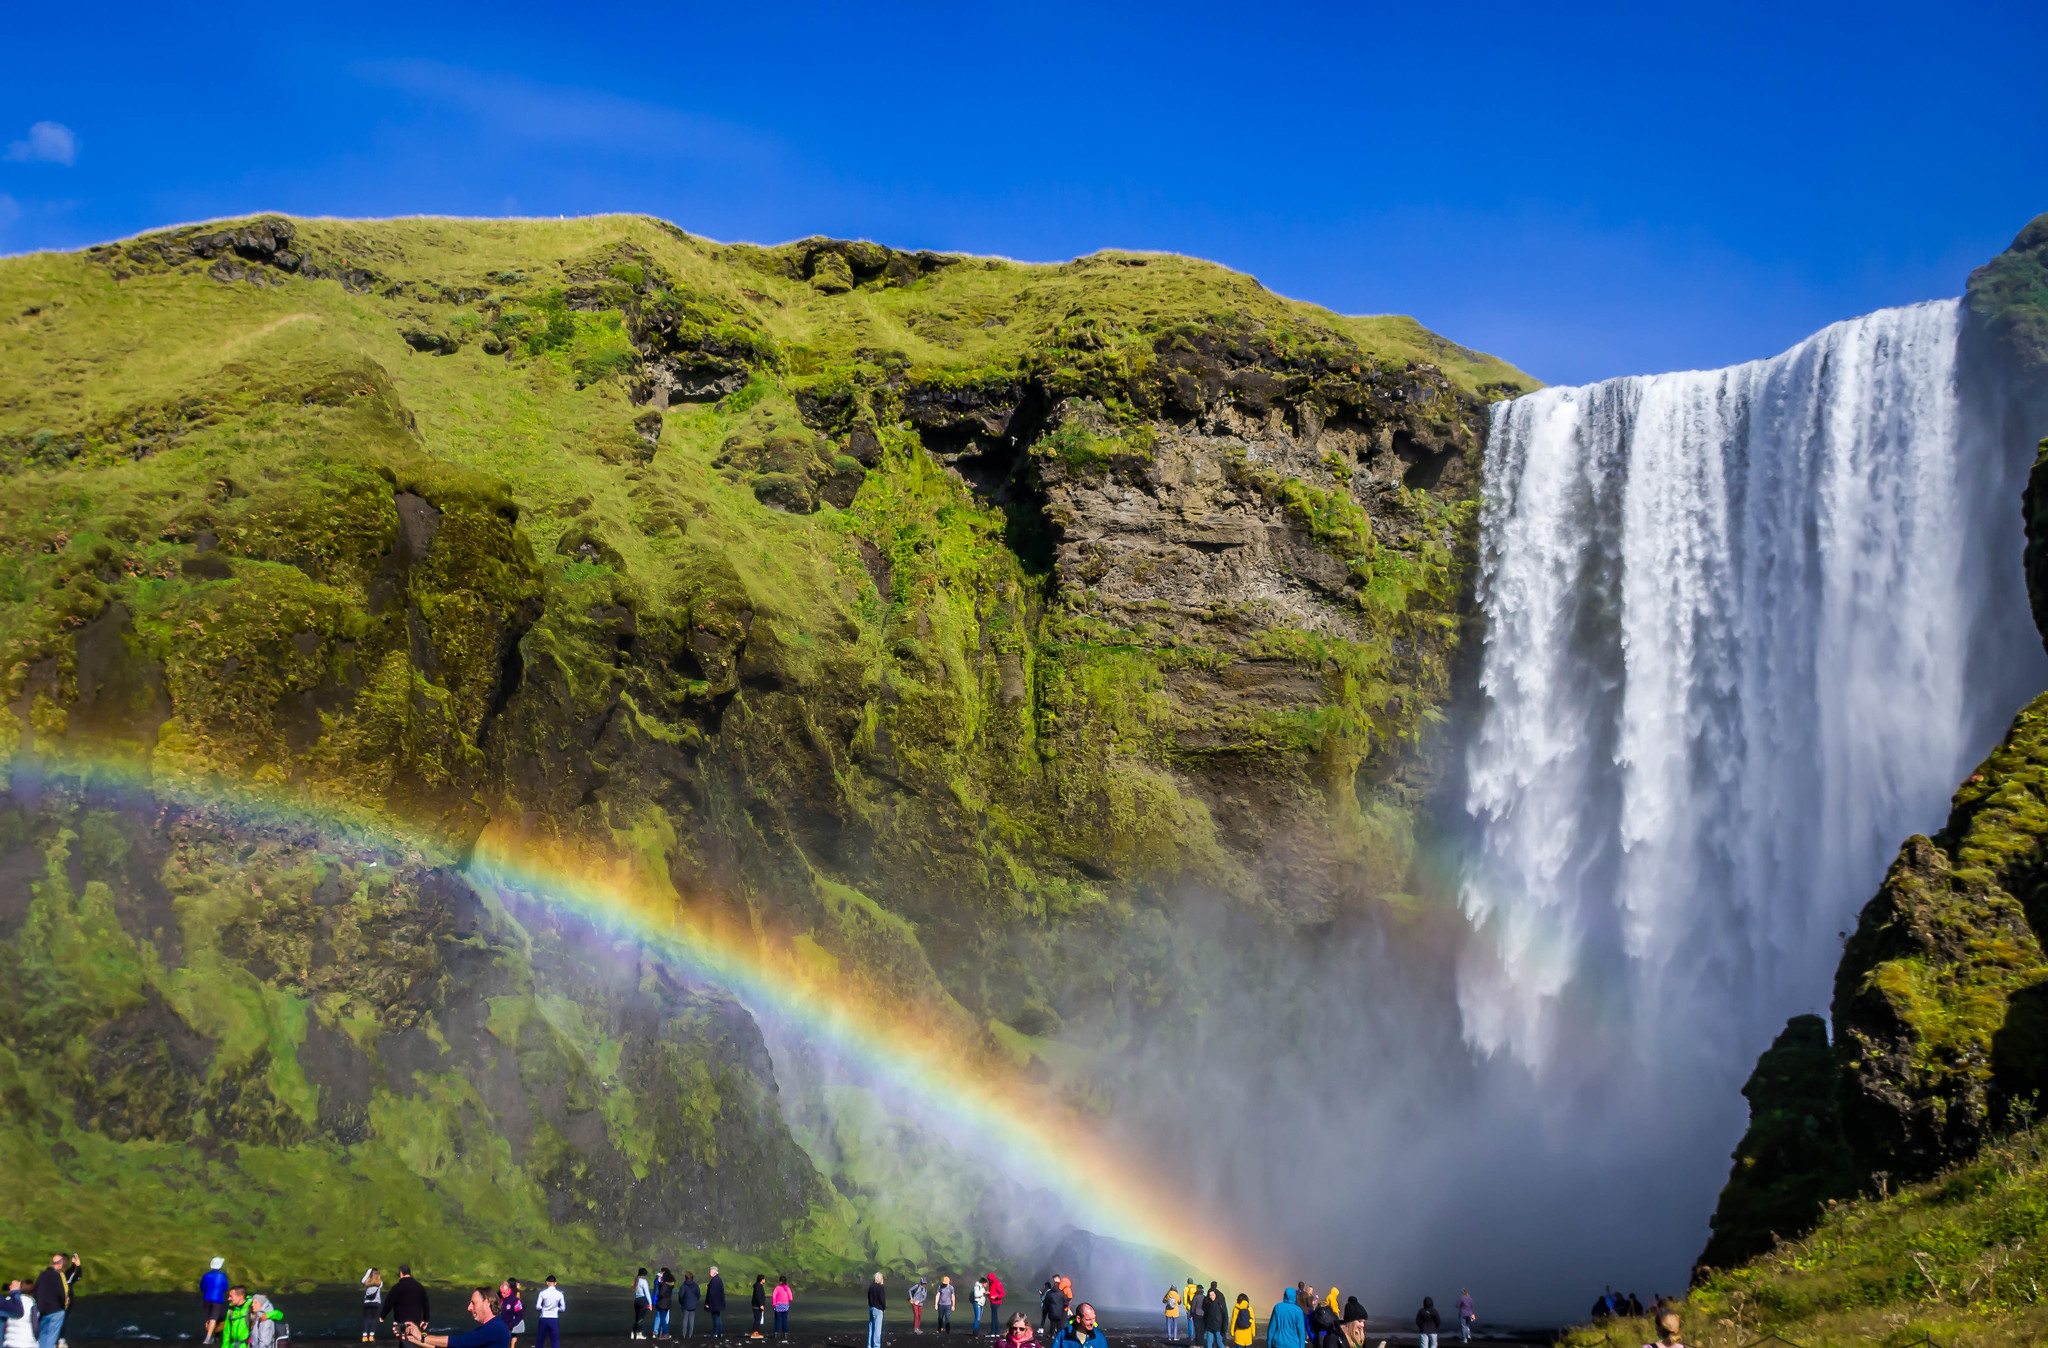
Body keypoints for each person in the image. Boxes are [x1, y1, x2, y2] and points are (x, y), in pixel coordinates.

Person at [401, 1288, 512, 1348]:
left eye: (473, 1303)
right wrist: (412, 1338)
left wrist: (422, 1336)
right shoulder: (489, 1329)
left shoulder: (496, 1328)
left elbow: (458, 1342)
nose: (469, 1308)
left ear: (487, 1303)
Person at [31, 1255, 70, 1348]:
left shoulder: (42, 1275)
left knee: (42, 1337)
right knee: (51, 1338)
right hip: (56, 1310)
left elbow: (35, 1292)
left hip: (42, 1311)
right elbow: (63, 1293)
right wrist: (64, 1306)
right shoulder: (59, 1275)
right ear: (60, 1264)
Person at [384, 1267, 430, 1340]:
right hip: (416, 1318)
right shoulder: (419, 1286)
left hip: (401, 1318)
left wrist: (383, 1315)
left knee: (404, 1339)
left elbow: (389, 1302)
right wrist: (425, 1319)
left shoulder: (397, 1287)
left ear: (401, 1273)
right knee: (413, 1339)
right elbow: (425, 1303)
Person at [204, 1259, 231, 1345]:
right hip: (218, 1299)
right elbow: (226, 1287)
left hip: (207, 1299)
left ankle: (212, 1335)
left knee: (209, 1318)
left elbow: (202, 1286)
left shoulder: (206, 1275)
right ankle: (208, 1338)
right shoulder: (222, 1276)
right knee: (214, 1318)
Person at [536, 1277, 566, 1348]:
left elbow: (538, 1306)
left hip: (544, 1317)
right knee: (555, 1340)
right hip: (554, 1318)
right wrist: (557, 1309)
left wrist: (543, 1308)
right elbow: (563, 1308)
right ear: (555, 1283)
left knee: (540, 1339)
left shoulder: (542, 1293)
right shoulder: (559, 1294)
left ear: (547, 1282)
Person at [361, 1270, 383, 1344]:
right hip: (376, 1303)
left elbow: (362, 1280)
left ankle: (364, 1336)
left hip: (367, 1303)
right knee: (374, 1319)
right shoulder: (380, 1283)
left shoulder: (367, 1283)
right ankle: (371, 1336)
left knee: (367, 1319)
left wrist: (369, 1271)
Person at [867, 1273, 887, 1348]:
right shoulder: (880, 1287)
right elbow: (882, 1299)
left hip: (871, 1308)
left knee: (871, 1327)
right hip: (878, 1309)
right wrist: (884, 1308)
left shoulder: (871, 1287)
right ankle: (876, 1346)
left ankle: (869, 1345)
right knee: (877, 1329)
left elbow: (868, 1297)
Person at [680, 1273, 701, 1340]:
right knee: (692, 1319)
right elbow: (698, 1294)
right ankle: (690, 1334)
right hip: (693, 1304)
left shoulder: (683, 1286)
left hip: (685, 1304)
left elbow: (681, 1296)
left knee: (685, 1319)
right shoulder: (695, 1285)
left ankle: (683, 1334)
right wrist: (695, 1300)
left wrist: (682, 1302)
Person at [706, 1269, 727, 1338]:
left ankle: (715, 1332)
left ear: (713, 1272)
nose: (709, 1273)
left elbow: (711, 1293)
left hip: (714, 1303)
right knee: (718, 1317)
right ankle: (720, 1333)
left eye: (710, 1271)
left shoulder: (714, 1281)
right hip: (719, 1302)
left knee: (715, 1318)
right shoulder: (719, 1279)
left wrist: (707, 1303)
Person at [655, 1270, 674, 1340]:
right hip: (667, 1304)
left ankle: (666, 1333)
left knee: (663, 1319)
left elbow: (661, 1294)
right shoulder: (670, 1285)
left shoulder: (664, 1285)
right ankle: (663, 1333)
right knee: (664, 1319)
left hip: (662, 1304)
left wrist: (660, 1284)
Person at [635, 1271, 653, 1342]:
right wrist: (650, 1303)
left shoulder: (636, 1280)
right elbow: (647, 1293)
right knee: (641, 1318)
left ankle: (634, 1332)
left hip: (637, 1300)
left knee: (637, 1317)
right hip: (643, 1300)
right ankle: (639, 1333)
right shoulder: (643, 1281)